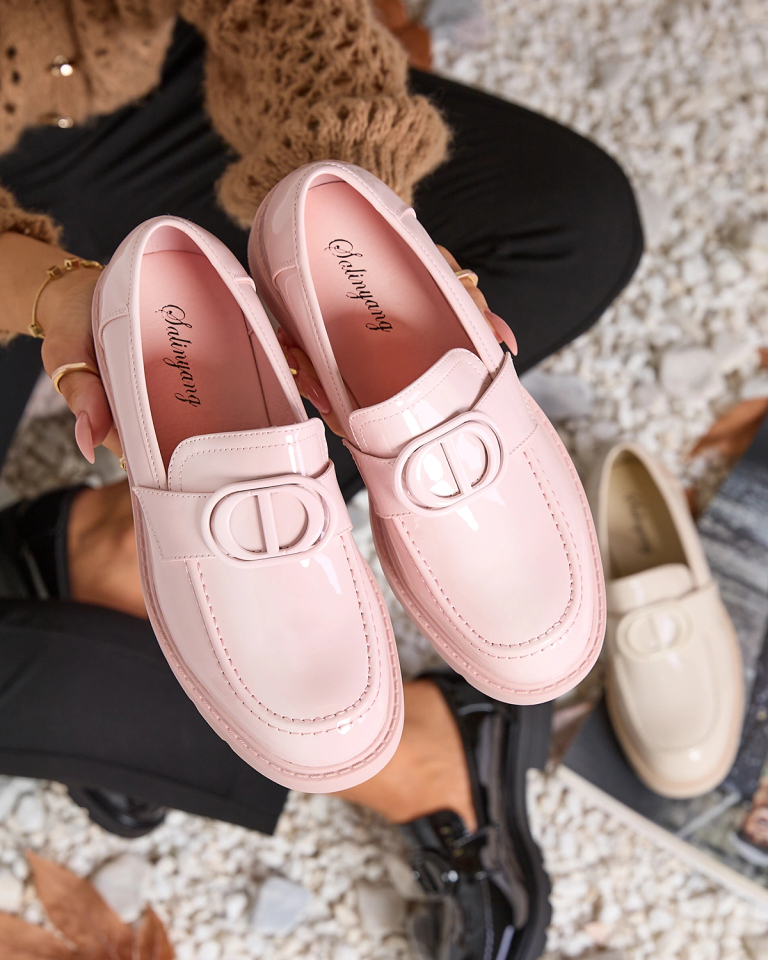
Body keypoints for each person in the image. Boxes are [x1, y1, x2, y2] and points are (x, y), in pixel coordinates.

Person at [0, 3, 642, 956]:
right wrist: (46, 290)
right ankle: (404, 744)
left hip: (113, 100)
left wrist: (354, 222)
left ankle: (121, 577)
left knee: (575, 222)